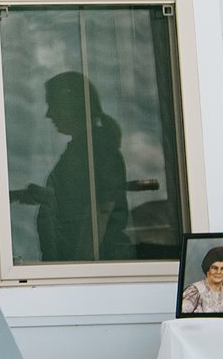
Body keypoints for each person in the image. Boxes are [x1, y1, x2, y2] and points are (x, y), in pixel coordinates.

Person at [12, 71, 133, 263]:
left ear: (72, 105)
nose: (48, 114)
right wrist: (48, 196)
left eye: (52, 104)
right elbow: (78, 201)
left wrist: (78, 267)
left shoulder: (98, 152)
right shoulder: (82, 150)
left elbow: (101, 211)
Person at [181, 246, 223, 315]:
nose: (218, 272)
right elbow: (183, 319)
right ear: (207, 269)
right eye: (214, 268)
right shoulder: (195, 291)